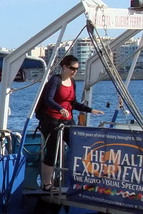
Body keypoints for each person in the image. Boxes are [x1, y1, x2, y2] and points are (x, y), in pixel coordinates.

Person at [37, 56, 103, 190]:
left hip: (68, 119)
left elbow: (72, 103)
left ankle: (72, 179)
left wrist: (89, 110)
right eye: (72, 68)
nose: (74, 71)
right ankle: (46, 183)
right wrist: (60, 108)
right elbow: (48, 99)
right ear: (64, 67)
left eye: (77, 69)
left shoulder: (72, 82)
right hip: (52, 120)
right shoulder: (55, 80)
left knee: (77, 144)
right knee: (52, 150)